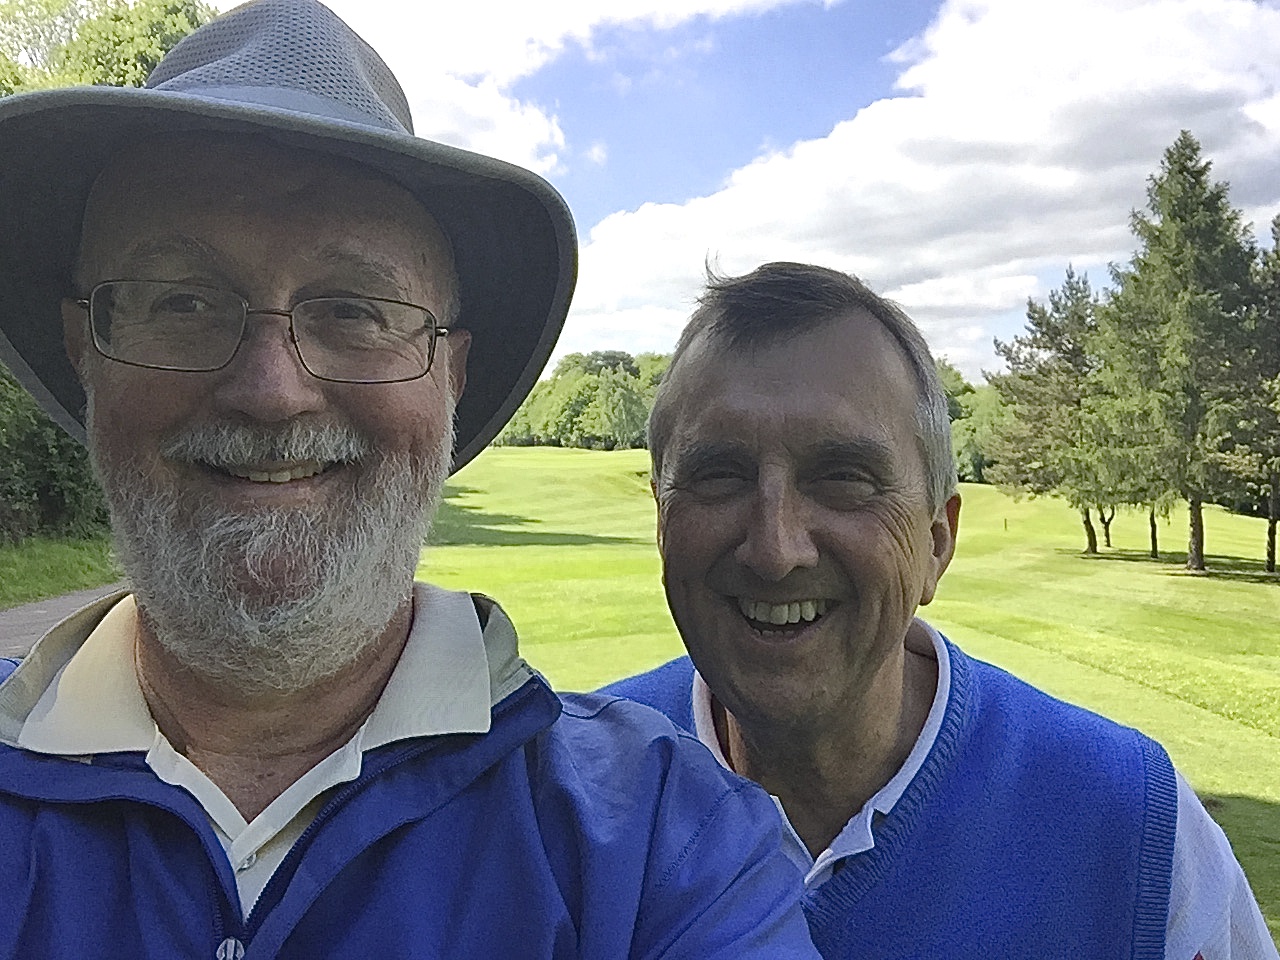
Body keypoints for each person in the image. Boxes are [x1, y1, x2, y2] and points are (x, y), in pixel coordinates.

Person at [0, 5, 822, 957]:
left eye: (355, 310)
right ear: (85, 351)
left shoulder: (664, 850)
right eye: (181, 301)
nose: (271, 391)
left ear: (451, 376)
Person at [604, 262, 1278, 959]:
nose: (776, 551)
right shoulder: (565, 798)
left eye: (844, 478)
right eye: (719, 475)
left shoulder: (1134, 828)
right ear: (662, 521)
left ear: (936, 542)